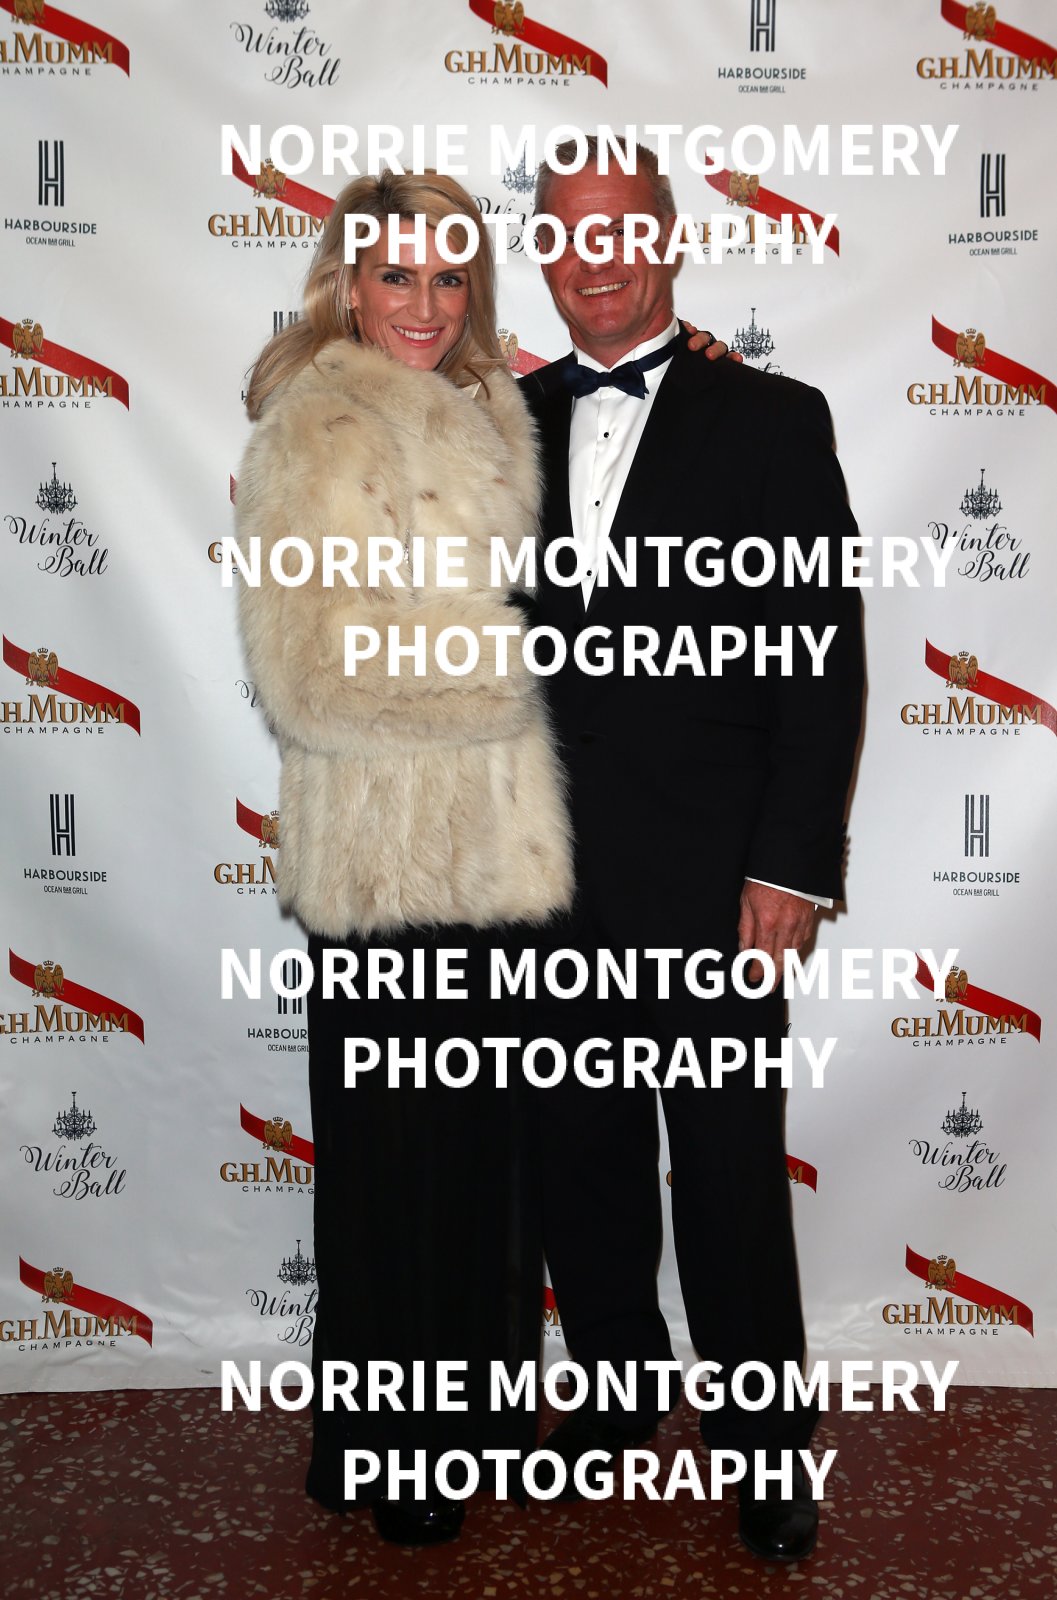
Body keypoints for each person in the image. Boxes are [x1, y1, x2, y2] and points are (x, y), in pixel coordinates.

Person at [517, 140, 865, 1563]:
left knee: (725, 1171)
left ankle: (764, 1446)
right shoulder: (496, 420)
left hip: (717, 879)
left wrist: (790, 864)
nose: (595, 257)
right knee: (580, 1151)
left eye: (620, 228)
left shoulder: (773, 417)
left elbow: (820, 655)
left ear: (666, 239)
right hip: (538, 876)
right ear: (543, 256)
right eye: (567, 233)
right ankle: (615, 1393)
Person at [233, 169, 577, 1547]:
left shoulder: (492, 406)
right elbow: (311, 677)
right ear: (347, 286)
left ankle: (469, 1423)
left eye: (449, 278)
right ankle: (394, 1453)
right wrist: (522, 667)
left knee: (481, 1163)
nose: (425, 306)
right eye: (397, 278)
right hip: (386, 869)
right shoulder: (320, 424)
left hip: (495, 860)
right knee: (398, 1170)